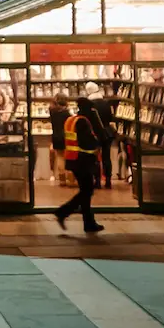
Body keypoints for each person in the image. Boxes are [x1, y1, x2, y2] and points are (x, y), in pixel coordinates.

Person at [56, 98, 104, 233]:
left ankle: (88, 223)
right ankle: (63, 212)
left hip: (72, 159)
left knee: (86, 191)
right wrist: (97, 142)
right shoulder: (83, 121)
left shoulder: (71, 120)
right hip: (82, 160)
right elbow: (87, 142)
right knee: (87, 191)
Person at [84, 94, 117, 190]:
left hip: (95, 133)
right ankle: (108, 180)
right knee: (107, 157)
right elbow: (111, 118)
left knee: (95, 158)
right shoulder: (107, 104)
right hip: (107, 133)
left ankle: (97, 181)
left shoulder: (91, 106)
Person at [48, 94, 71, 184]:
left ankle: (62, 180)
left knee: (59, 157)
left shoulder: (52, 111)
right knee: (68, 157)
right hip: (66, 136)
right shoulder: (66, 113)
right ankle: (70, 178)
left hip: (56, 136)